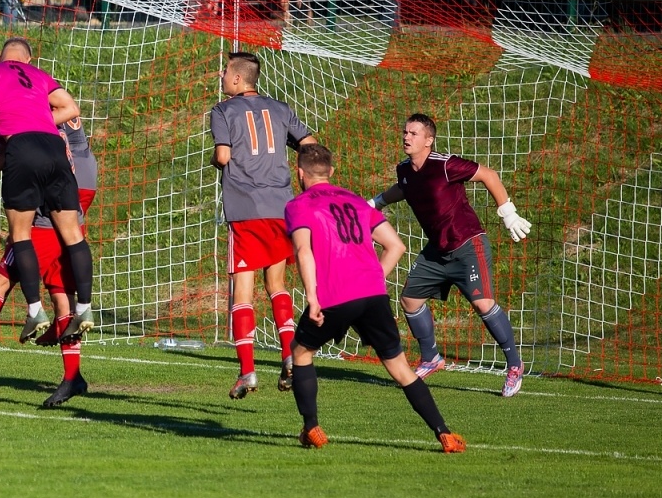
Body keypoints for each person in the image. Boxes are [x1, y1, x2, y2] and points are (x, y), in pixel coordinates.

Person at [285, 143, 467, 453]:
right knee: (400, 369)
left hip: (334, 296)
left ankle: (311, 427)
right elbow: (396, 246)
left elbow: (303, 251)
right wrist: (371, 278)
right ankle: (444, 433)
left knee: (300, 352)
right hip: (373, 295)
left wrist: (313, 299)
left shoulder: (298, 205)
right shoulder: (356, 201)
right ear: (331, 172)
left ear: (299, 173)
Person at [369, 113, 533, 398]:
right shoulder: (405, 169)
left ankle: (514, 365)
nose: (406, 137)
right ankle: (431, 357)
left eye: (414, 133)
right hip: (437, 250)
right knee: (410, 300)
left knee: (484, 304)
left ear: (428, 140)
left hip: (469, 244)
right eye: (405, 132)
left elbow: (488, 175)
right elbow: (404, 188)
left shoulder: (444, 165)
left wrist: (508, 213)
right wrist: (377, 201)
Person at [0, 37, 93, 341]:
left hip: (24, 155)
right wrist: (40, 121)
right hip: (61, 159)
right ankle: (85, 309)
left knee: (18, 242)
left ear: (1, 58)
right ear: (28, 60)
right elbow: (71, 107)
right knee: (73, 239)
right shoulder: (39, 77)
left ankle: (34, 312)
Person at [0, 115, 99, 408]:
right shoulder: (49, 108)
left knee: (5, 271)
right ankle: (72, 374)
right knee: (60, 289)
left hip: (52, 198)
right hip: (77, 190)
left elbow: (1, 159)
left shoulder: (24, 115)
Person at [209, 51, 317, 399]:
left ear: (238, 79)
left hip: (246, 209)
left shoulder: (223, 111)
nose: (221, 76)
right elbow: (310, 144)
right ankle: (288, 355)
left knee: (242, 289)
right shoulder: (281, 109)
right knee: (277, 284)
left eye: (225, 72)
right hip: (281, 206)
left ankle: (247, 372)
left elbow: (223, 156)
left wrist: (217, 159)